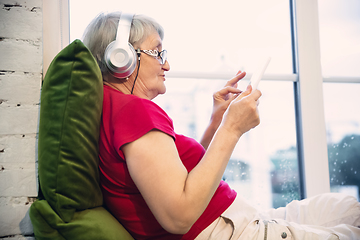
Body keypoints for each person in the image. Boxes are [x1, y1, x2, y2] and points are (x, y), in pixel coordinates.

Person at [82, 11, 360, 240]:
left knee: (347, 208)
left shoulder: (116, 110)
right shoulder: (135, 112)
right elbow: (178, 217)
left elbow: (175, 178)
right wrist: (232, 128)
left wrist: (216, 123)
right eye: (157, 52)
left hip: (236, 219)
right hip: (229, 230)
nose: (167, 64)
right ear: (121, 56)